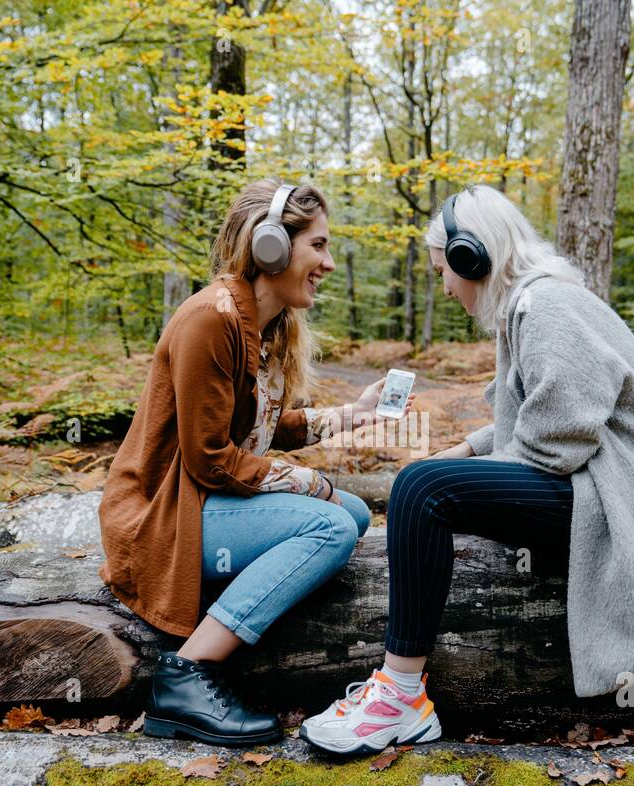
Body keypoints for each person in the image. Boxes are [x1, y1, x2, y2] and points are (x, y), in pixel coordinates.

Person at [300, 184, 634, 756]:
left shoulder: (547, 306)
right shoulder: (532, 305)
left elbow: (561, 440)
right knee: (429, 479)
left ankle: (400, 696)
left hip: (618, 495)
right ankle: (397, 691)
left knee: (420, 488)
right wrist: (465, 452)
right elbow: (541, 415)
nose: (446, 285)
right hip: (594, 482)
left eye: (443, 271)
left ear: (471, 257)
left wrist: (441, 484)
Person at [97, 178, 416, 746]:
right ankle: (185, 673)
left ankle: (240, 618)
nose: (330, 262)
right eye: (317, 245)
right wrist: (307, 482)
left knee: (354, 516)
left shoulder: (262, 327)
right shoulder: (210, 320)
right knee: (330, 524)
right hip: (164, 516)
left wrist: (351, 413)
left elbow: (262, 431)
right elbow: (209, 458)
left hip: (202, 502)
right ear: (271, 245)